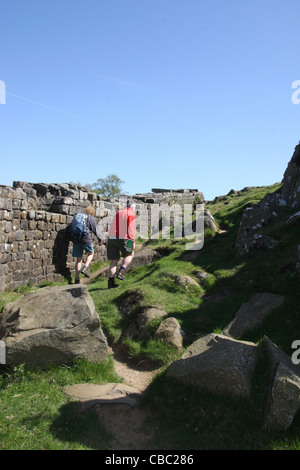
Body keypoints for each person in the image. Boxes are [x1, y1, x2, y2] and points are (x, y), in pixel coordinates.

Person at [107, 199, 136, 289]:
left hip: (112, 237)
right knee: (130, 254)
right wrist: (133, 241)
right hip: (124, 238)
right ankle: (121, 271)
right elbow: (131, 229)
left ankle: (110, 283)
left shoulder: (119, 213)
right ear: (132, 207)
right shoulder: (131, 214)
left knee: (114, 260)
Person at [71, 206, 102, 283]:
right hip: (86, 239)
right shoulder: (91, 218)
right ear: (92, 213)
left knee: (79, 259)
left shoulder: (78, 217)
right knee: (91, 253)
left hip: (76, 239)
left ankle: (77, 279)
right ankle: (85, 267)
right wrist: (99, 239)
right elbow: (96, 230)